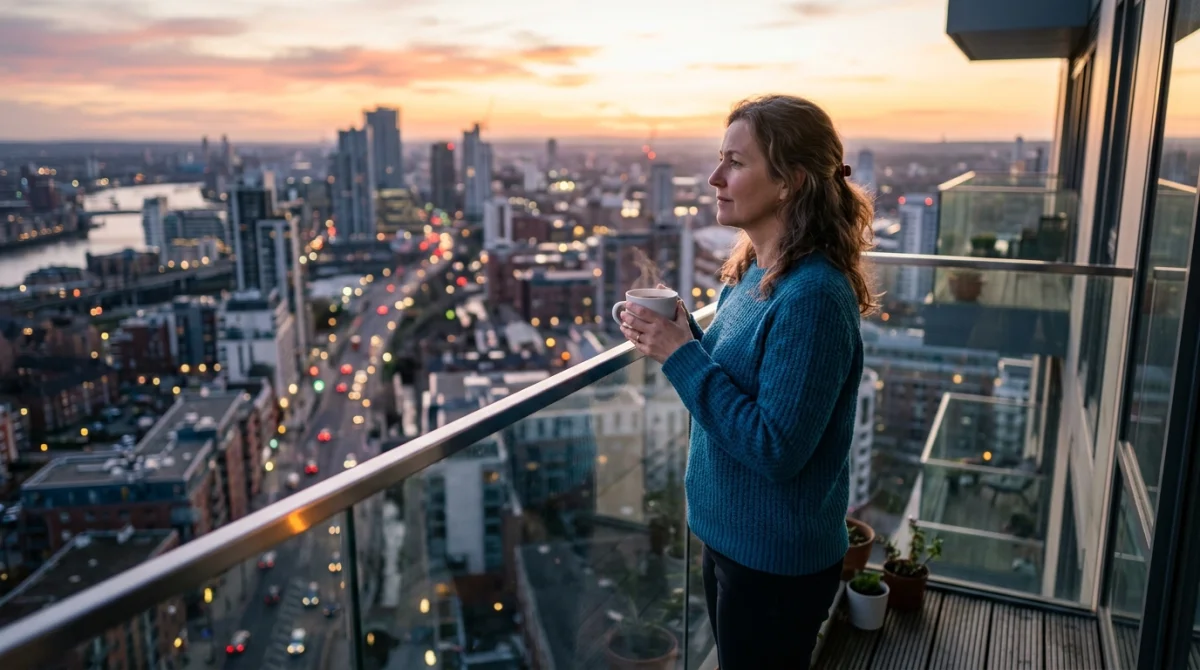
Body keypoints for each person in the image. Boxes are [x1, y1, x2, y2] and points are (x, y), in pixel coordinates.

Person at [618, 94, 876, 669]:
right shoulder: (757, 272)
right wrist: (683, 331)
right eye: (719, 159)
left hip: (775, 564)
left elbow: (776, 446)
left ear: (790, 183)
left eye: (735, 162)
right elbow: (737, 378)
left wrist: (680, 355)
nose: (714, 177)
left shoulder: (812, 297)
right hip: (732, 541)